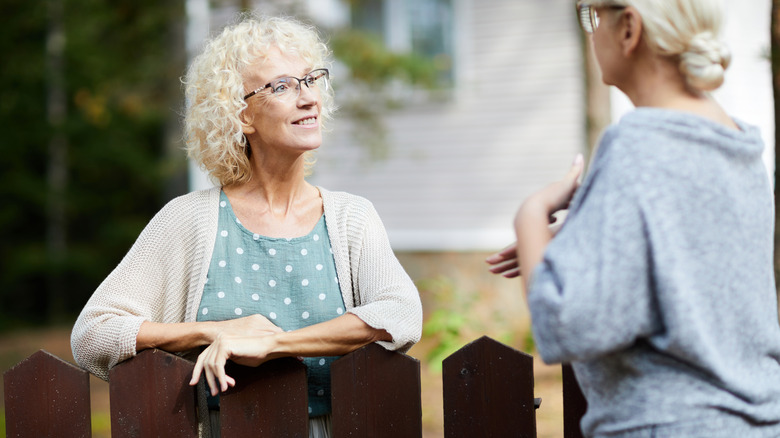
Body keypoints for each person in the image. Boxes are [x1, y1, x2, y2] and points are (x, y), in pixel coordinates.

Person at [71, 14, 423, 437]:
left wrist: (274, 343)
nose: (308, 97)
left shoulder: (352, 217)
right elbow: (93, 333)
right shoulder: (188, 219)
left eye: (311, 80)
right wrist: (212, 331)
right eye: (282, 86)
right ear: (241, 116)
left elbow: (401, 314)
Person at [487, 0, 780, 436]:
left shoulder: (637, 145)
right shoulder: (736, 144)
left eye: (593, 14)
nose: (591, 30)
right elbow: (689, 248)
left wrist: (531, 216)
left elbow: (564, 329)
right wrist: (584, 227)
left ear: (629, 27)